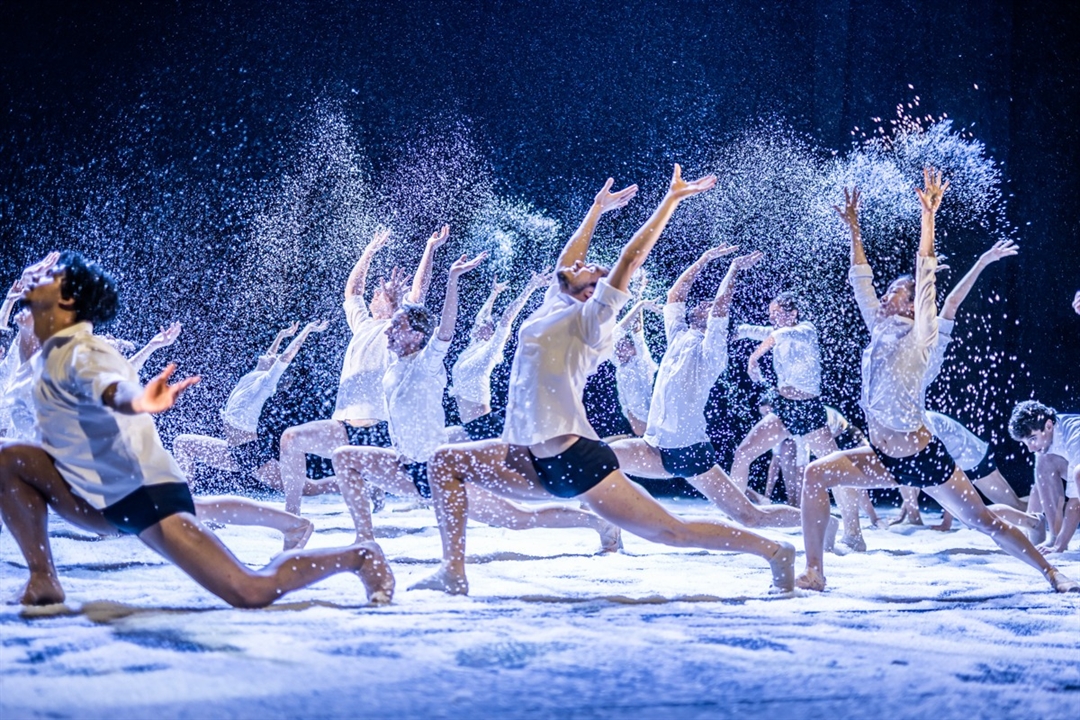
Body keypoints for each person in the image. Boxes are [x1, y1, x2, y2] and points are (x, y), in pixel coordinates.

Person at [414, 168, 797, 596]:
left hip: (573, 458)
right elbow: (567, 261)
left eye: (589, 270)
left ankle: (774, 550)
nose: (579, 264)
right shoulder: (553, 306)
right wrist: (595, 211)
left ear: (592, 292)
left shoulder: (591, 320)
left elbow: (630, 259)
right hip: (525, 454)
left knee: (671, 533)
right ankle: (454, 572)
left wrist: (670, 201)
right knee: (444, 462)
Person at [0, 251, 394, 607]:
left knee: (249, 590)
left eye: (47, 275)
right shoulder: (52, 347)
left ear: (66, 300)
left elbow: (110, 389)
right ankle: (43, 578)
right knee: (9, 458)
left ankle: (359, 556)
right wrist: (25, 301)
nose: (34, 275)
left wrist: (138, 401)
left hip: (143, 498)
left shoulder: (84, 351)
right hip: (91, 499)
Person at [795, 172, 1076, 593]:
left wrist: (929, 218)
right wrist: (854, 228)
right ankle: (815, 572)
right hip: (883, 455)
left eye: (895, 294)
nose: (886, 297)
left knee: (984, 520)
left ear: (910, 307)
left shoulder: (920, 335)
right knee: (816, 475)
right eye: (887, 293)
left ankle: (1052, 572)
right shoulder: (880, 326)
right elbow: (861, 283)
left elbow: (927, 282)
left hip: (923, 456)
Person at [332, 252, 621, 550]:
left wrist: (453, 280)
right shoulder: (393, 363)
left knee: (518, 519)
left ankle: (599, 521)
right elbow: (403, 309)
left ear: (418, 337)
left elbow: (444, 329)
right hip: (405, 466)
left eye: (397, 327)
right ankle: (364, 541)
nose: (389, 332)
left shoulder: (428, 362)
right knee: (345, 457)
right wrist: (393, 304)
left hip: (439, 469)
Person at [607, 246, 810, 532]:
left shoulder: (712, 352)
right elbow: (675, 296)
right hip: (653, 448)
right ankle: (611, 536)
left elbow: (721, 307)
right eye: (702, 302)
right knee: (600, 462)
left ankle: (819, 521)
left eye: (707, 305)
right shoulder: (678, 334)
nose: (703, 303)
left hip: (690, 453)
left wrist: (734, 269)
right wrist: (703, 259)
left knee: (750, 517)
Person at [278, 227, 442, 515]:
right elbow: (353, 291)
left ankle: (414, 498)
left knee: (427, 495)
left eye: (378, 293)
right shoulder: (362, 326)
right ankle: (292, 515)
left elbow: (418, 294)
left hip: (382, 433)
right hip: (344, 427)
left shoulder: (398, 334)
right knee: (291, 439)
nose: (373, 295)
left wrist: (429, 248)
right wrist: (368, 252)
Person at [172, 320, 330, 550]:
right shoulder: (253, 375)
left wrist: (306, 331)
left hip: (249, 454)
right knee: (181, 443)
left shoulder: (266, 382)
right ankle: (187, 507)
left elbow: (286, 356)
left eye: (272, 358)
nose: (267, 355)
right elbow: (271, 354)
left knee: (307, 488)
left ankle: (354, 485)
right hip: (231, 450)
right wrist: (281, 334)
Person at [446, 270, 550, 443]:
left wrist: (530, 287)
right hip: (469, 426)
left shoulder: (491, 350)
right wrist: (493, 294)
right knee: (434, 448)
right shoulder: (472, 346)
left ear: (491, 332)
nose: (482, 322)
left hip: (485, 426)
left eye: (487, 323)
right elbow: (482, 315)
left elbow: (507, 318)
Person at [1009, 401, 1080, 554]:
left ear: (1048, 426)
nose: (1030, 448)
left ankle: (1058, 541)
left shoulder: (1076, 435)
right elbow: (1040, 489)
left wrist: (1059, 546)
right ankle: (1054, 536)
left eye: (1032, 439)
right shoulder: (1048, 440)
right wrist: (1027, 535)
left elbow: (1076, 504)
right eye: (1025, 443)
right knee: (1044, 462)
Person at [610, 272, 660, 437]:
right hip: (635, 427)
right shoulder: (619, 364)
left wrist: (639, 297)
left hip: (651, 430)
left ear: (633, 348)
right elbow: (615, 334)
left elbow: (636, 328)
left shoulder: (640, 358)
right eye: (618, 346)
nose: (618, 348)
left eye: (623, 345)